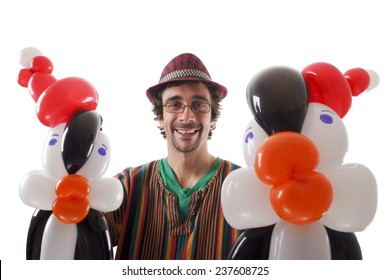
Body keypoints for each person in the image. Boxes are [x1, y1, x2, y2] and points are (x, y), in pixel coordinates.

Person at [105, 53, 241, 260]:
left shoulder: (242, 185)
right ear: (160, 117)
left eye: (199, 104)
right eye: (174, 104)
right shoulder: (128, 184)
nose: (187, 116)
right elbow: (87, 234)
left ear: (213, 118)